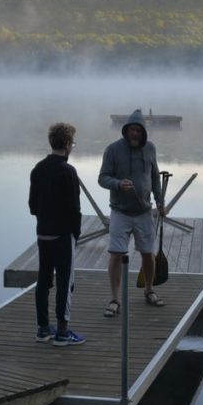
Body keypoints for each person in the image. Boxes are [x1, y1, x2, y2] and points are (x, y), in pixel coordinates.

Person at [98, 108, 166, 317]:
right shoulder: (112, 150)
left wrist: (160, 201)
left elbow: (155, 178)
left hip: (144, 211)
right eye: (132, 130)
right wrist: (117, 184)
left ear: (144, 132)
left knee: (148, 253)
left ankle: (149, 290)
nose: (135, 133)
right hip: (120, 211)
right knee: (116, 253)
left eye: (139, 130)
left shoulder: (150, 149)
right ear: (126, 131)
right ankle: (115, 299)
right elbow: (102, 178)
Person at [28, 122, 85, 346]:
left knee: (43, 280)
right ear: (68, 144)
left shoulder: (38, 169)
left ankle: (43, 328)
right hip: (63, 236)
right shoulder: (68, 171)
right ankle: (62, 332)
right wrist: (76, 234)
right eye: (72, 143)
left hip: (43, 234)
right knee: (65, 281)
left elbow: (32, 206)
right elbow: (74, 208)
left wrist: (44, 220)